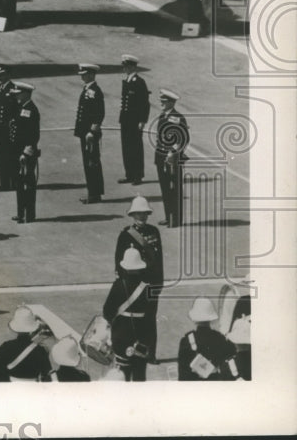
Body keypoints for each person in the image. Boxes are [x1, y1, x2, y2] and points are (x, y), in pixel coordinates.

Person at [114, 196, 163, 362]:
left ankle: (151, 353)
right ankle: (133, 351)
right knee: (133, 319)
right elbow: (119, 262)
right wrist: (124, 284)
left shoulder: (154, 232)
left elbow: (159, 261)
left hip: (150, 284)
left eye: (144, 213)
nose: (142, 217)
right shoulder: (126, 235)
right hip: (134, 285)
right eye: (138, 214)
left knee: (150, 319)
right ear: (132, 215)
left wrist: (159, 283)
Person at [103, 248, 152, 381]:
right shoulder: (147, 288)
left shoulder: (118, 285)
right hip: (141, 338)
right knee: (139, 376)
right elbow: (151, 315)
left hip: (121, 337)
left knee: (121, 375)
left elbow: (107, 312)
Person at [177, 297, 241, 381]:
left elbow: (182, 375)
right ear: (211, 318)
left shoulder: (186, 341)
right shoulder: (220, 339)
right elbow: (232, 357)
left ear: (195, 319)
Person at [0, 306, 51, 382]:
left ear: (16, 329)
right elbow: (46, 372)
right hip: (32, 388)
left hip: (11, 387)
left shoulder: (7, 346)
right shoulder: (40, 349)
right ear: (32, 330)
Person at [154, 89, 189, 227]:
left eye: (165, 101)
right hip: (161, 157)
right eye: (161, 101)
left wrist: (173, 153)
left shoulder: (177, 117)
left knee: (174, 188)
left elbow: (184, 138)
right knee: (165, 188)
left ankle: (176, 219)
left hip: (172, 159)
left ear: (172, 102)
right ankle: (169, 216)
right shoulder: (164, 115)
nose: (162, 103)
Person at [74, 63, 105, 204]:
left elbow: (99, 113)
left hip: (89, 134)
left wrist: (92, 131)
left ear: (91, 75)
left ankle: (94, 194)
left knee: (92, 163)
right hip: (85, 132)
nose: (82, 76)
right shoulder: (88, 89)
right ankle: (93, 192)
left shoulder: (94, 91)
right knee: (89, 162)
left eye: (85, 74)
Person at [118, 54, 150, 185]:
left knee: (135, 147)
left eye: (126, 66)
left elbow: (144, 103)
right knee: (126, 147)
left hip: (135, 121)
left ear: (132, 67)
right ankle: (129, 174)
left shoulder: (139, 82)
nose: (124, 69)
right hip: (125, 119)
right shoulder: (127, 81)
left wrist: (142, 120)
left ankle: (138, 175)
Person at [10, 82, 39, 223]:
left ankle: (29, 214)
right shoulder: (21, 108)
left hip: (26, 153)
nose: (16, 96)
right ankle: (21, 212)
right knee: (20, 184)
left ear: (26, 94)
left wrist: (26, 152)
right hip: (18, 152)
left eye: (19, 94)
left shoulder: (30, 110)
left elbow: (32, 134)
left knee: (28, 183)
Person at [0, 64, 17, 191]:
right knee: (1, 156)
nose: (0, 77)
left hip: (8, 129)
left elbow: (15, 110)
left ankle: (12, 182)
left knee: (10, 156)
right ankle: (4, 182)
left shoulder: (13, 89)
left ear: (8, 75)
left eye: (2, 75)